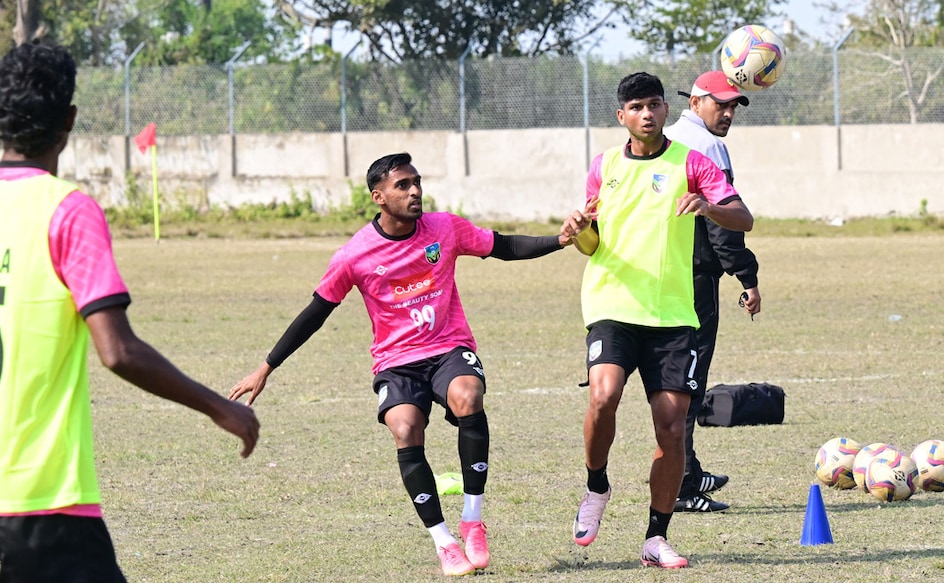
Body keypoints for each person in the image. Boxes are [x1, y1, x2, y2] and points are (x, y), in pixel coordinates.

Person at [229, 152, 573, 577]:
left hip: (448, 348)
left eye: (416, 183)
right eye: (402, 186)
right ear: (378, 197)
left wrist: (559, 240)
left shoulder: (444, 228)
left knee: (468, 396)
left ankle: (472, 519)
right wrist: (266, 366)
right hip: (396, 362)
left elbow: (502, 246)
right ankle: (445, 542)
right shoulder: (354, 255)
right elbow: (316, 312)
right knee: (406, 428)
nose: (415, 192)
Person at [0, 42, 261, 582]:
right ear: (69, 119)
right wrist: (221, 407)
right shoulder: (66, 211)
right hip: (40, 503)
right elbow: (117, 351)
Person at [560, 72, 753, 568]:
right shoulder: (604, 166)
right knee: (603, 397)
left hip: (671, 316)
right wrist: (578, 231)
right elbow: (592, 243)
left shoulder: (691, 162)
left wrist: (709, 207)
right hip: (612, 306)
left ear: (667, 110)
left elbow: (743, 217)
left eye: (655, 105)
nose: (648, 114)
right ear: (622, 116)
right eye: (637, 107)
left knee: (670, 428)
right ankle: (596, 486)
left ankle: (655, 536)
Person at [663, 70, 762, 513]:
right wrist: (747, 277)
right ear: (696, 100)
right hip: (694, 281)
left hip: (663, 277)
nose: (727, 114)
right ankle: (682, 485)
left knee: (678, 377)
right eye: (719, 104)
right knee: (689, 380)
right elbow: (721, 224)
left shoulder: (668, 138)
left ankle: (688, 466)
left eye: (734, 106)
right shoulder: (708, 146)